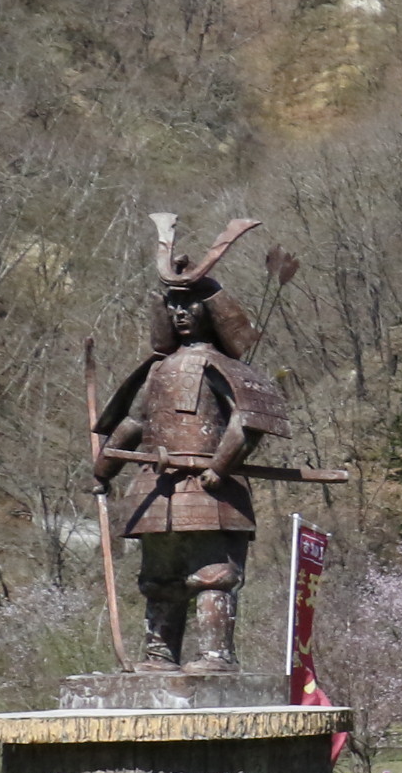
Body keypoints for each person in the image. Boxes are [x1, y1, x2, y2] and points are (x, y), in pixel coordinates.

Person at [94, 218, 290, 670]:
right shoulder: (158, 370)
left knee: (212, 577)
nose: (180, 314)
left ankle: (214, 655)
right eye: (173, 306)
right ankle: (159, 654)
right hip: (156, 489)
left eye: (190, 306)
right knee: (159, 580)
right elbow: (135, 422)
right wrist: (103, 468)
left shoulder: (221, 366)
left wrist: (220, 466)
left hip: (209, 489)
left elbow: (248, 420)